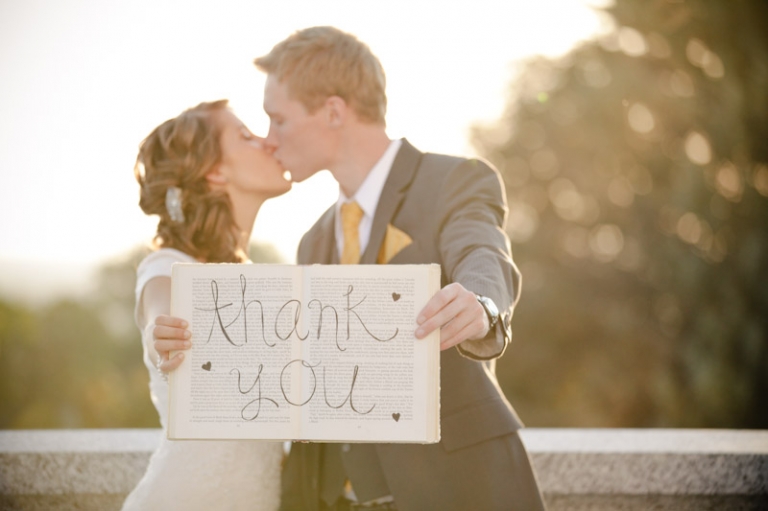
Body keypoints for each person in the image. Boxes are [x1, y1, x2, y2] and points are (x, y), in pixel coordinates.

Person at [155, 27, 546, 511]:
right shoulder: (312, 240)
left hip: (458, 490)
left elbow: (484, 253)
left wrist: (481, 303)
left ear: (334, 111)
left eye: (278, 120)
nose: (270, 140)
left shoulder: (453, 180)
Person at [122, 100, 289, 511]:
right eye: (246, 136)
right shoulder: (168, 267)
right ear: (215, 171)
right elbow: (163, 304)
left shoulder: (254, 278)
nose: (269, 142)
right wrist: (162, 327)